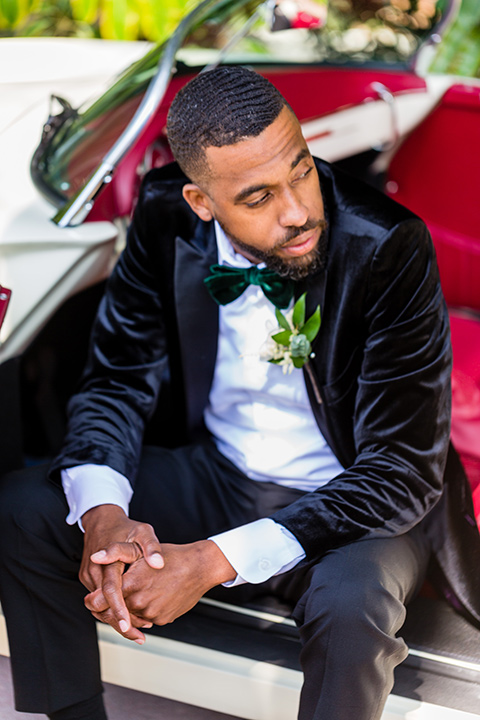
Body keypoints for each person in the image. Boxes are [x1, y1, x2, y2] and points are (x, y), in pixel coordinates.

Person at [0, 65, 479, 720]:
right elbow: (117, 377)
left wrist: (212, 562)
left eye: (302, 169)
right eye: (257, 198)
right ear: (202, 202)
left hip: (356, 504)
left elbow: (402, 470)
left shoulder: (388, 244)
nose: (298, 211)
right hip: (221, 475)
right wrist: (105, 519)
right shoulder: (166, 211)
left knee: (351, 607)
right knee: (26, 506)